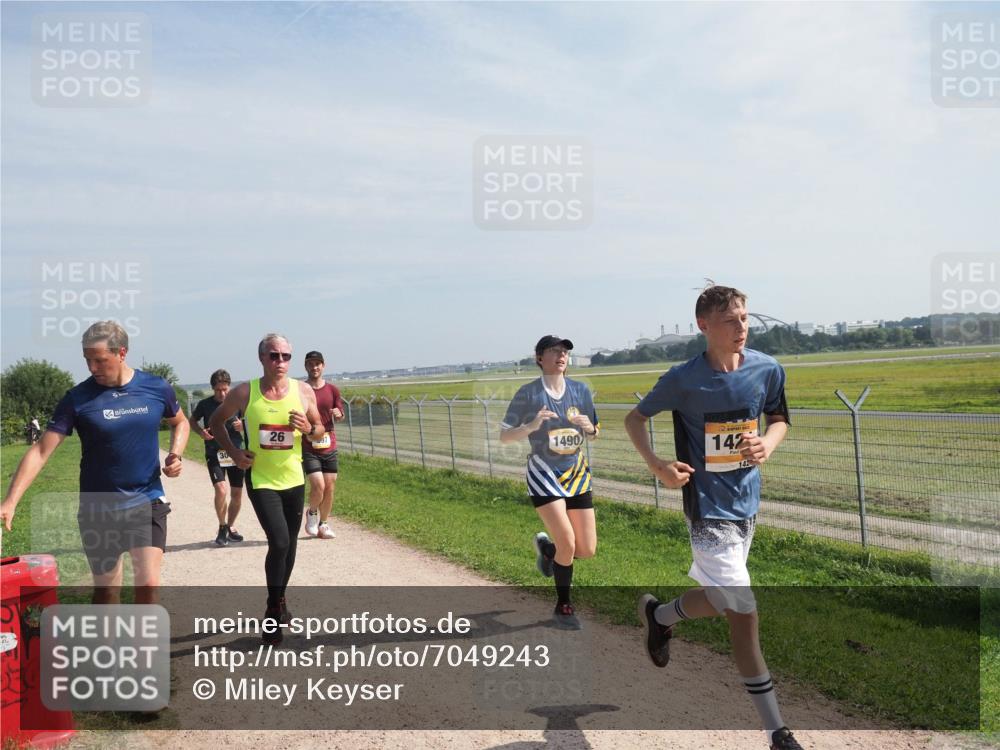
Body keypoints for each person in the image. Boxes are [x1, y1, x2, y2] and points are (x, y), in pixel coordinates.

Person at [624, 285, 802, 750]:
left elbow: (779, 417)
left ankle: (660, 616)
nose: (741, 327)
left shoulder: (767, 368)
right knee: (742, 608)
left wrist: (769, 442)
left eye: (744, 318)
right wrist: (658, 465)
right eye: (731, 320)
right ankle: (777, 732)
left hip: (746, 505)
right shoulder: (683, 378)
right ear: (704, 325)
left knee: (721, 599)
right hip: (706, 510)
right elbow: (634, 420)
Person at [1, 320, 189, 605]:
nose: (92, 368)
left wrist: (176, 454)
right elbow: (41, 451)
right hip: (98, 507)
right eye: (87, 360)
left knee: (148, 586)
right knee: (107, 592)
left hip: (147, 500)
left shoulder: (156, 387)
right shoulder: (77, 399)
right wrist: (11, 501)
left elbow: (181, 422)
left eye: (99, 360)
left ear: (122, 353)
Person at [209, 333, 324, 644]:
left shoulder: (302, 391)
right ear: (262, 358)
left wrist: (309, 429)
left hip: (294, 479)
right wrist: (233, 453)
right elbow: (215, 422)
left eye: (286, 356)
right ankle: (273, 611)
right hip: (261, 480)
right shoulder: (246, 392)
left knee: (291, 546)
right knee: (280, 541)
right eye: (274, 356)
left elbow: (319, 429)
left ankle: (280, 599)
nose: (281, 362)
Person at [500, 335, 599, 630]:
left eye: (565, 351)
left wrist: (589, 427)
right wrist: (530, 426)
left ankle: (548, 552)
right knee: (567, 542)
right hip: (544, 474)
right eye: (554, 351)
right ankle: (563, 606)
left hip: (577, 473)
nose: (561, 355)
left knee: (586, 550)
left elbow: (595, 432)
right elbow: (505, 436)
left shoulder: (580, 391)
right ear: (539, 358)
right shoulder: (528, 393)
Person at [189, 370, 246, 547]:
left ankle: (231, 526)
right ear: (213, 389)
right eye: (218, 390)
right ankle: (222, 526)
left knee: (237, 494)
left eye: (225, 389)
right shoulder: (205, 405)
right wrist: (201, 432)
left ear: (230, 387)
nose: (222, 393)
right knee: (221, 490)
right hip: (214, 452)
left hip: (236, 453)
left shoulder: (238, 404)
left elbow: (252, 421)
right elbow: (192, 421)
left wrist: (243, 425)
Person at [301, 351, 346, 540]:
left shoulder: (332, 390)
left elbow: (341, 415)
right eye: (311, 364)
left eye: (318, 363)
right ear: (306, 366)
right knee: (318, 484)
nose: (314, 367)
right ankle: (312, 512)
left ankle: (324, 523)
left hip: (329, 442)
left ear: (323, 366)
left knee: (330, 486)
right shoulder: (301, 389)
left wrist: (339, 415)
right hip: (309, 443)